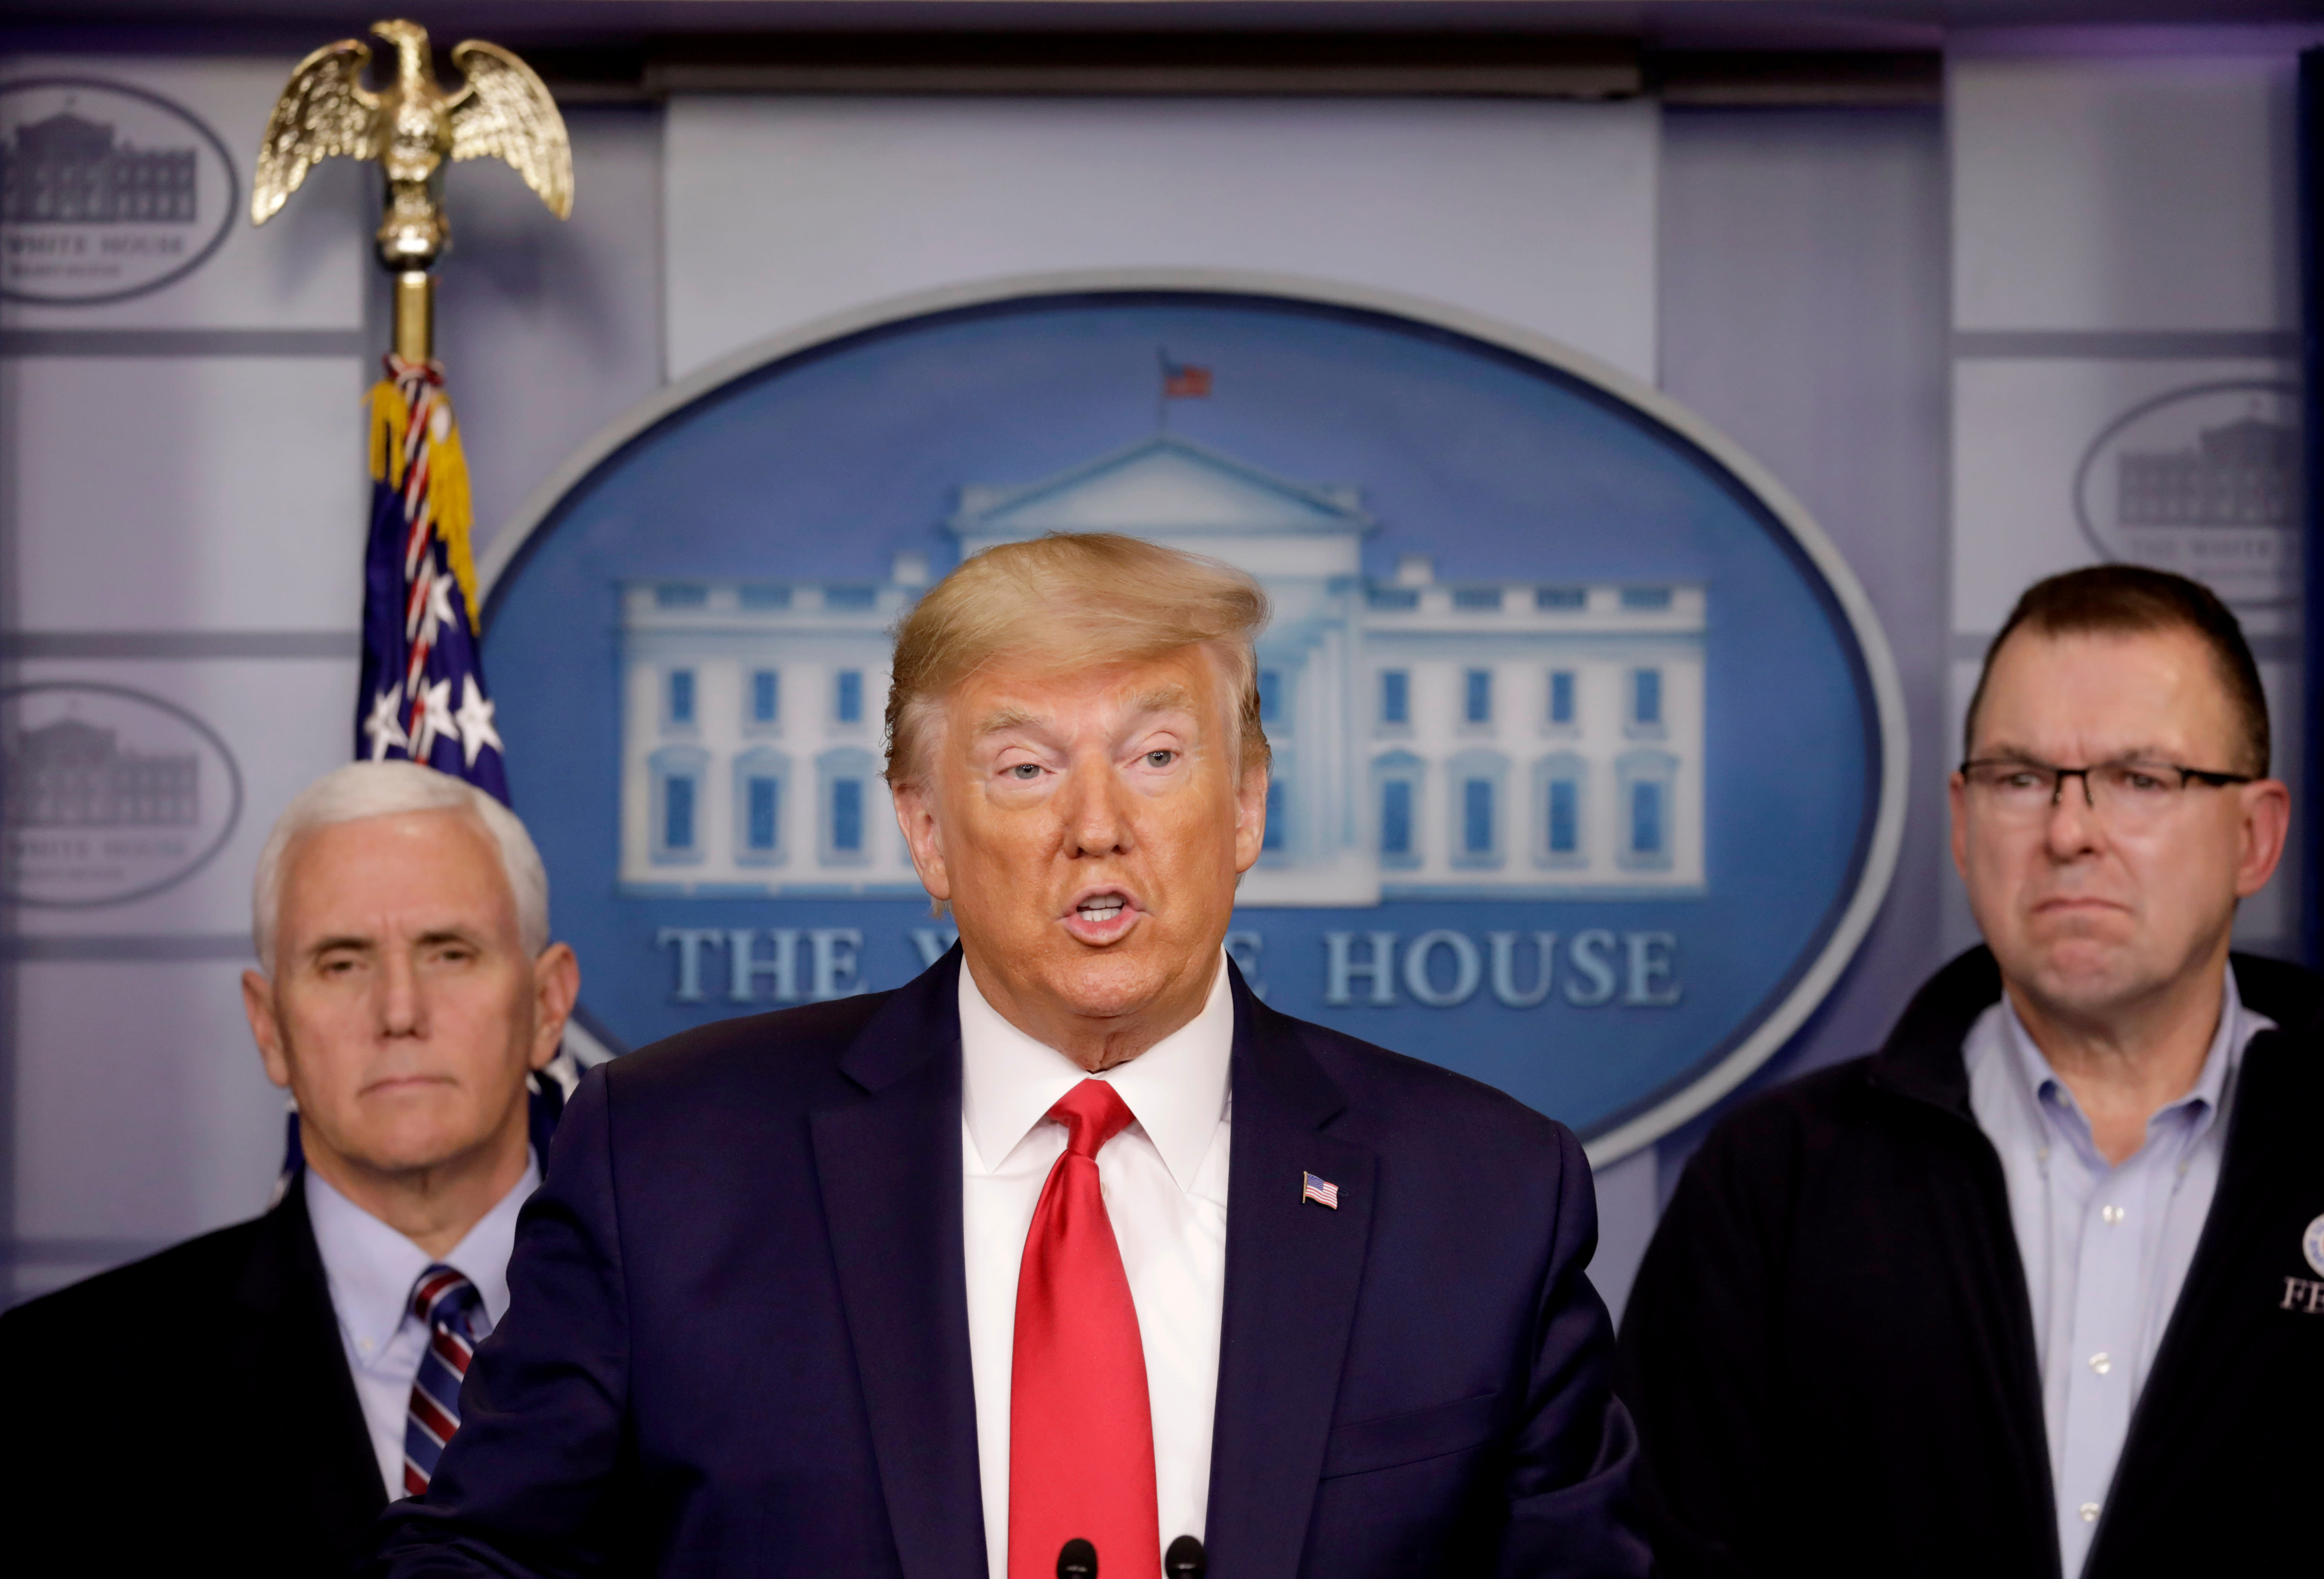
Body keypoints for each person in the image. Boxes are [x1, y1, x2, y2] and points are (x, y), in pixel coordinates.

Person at [373, 532, 1649, 1578]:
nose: (1097, 826)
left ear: (1246, 803)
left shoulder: (1483, 1197)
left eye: (1157, 757)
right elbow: (481, 1558)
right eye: (1027, 768)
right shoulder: (669, 1161)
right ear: (926, 832)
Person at [1616, 564, 2321, 1579]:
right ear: (1960, 820)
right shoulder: (1774, 1182)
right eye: (2019, 779)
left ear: (2253, 836)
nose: (2068, 833)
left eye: (2139, 779)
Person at [0, 762, 580, 1577]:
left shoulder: (709, 1348)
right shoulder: (52, 1386)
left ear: (549, 1004)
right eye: (342, 963)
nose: (400, 1012)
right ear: (269, 1025)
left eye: (450, 953)